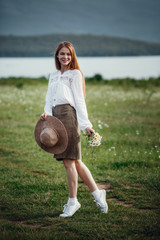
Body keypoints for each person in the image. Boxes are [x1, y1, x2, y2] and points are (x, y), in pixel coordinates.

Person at [40, 41, 108, 217]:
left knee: (69, 161)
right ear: (57, 55)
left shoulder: (75, 74)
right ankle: (98, 193)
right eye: (62, 53)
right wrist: (46, 114)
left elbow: (79, 101)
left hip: (69, 117)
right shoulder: (53, 75)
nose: (65, 57)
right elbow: (49, 99)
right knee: (75, 161)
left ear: (72, 56)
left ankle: (73, 201)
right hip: (55, 118)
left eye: (68, 54)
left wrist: (86, 125)